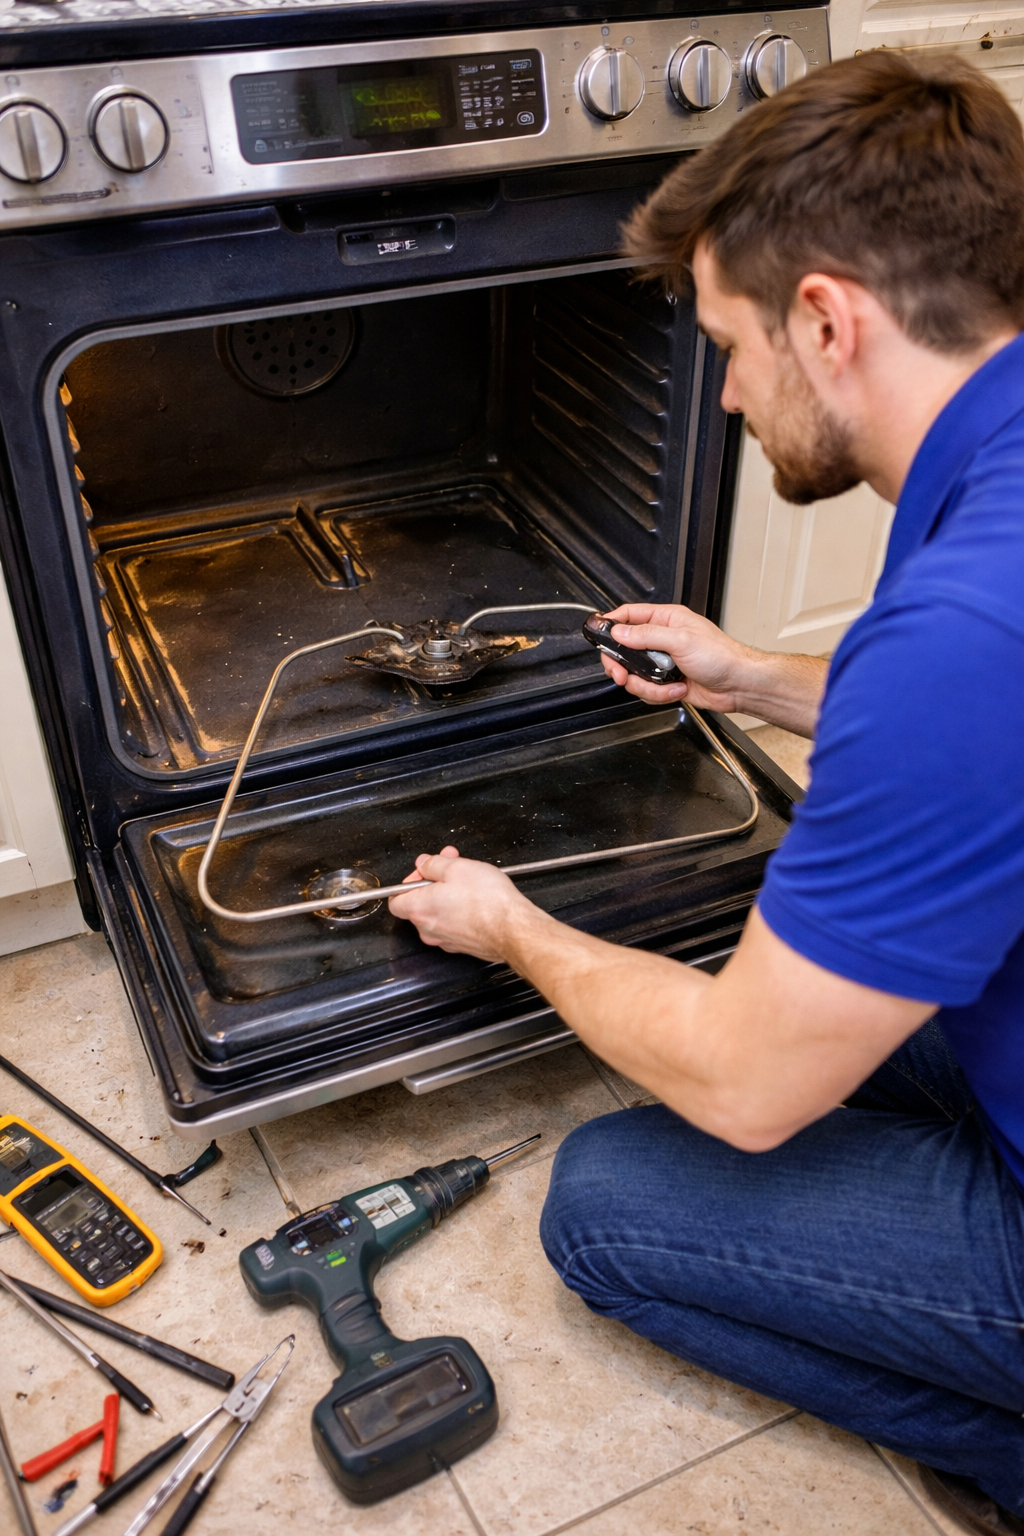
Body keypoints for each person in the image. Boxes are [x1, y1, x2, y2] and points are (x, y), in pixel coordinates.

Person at [389, 51, 1024, 1534]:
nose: (726, 395)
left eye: (728, 342)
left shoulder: (966, 635)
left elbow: (747, 1091)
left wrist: (519, 929)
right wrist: (752, 677)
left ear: (826, 318)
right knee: (738, 978)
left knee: (606, 1204)